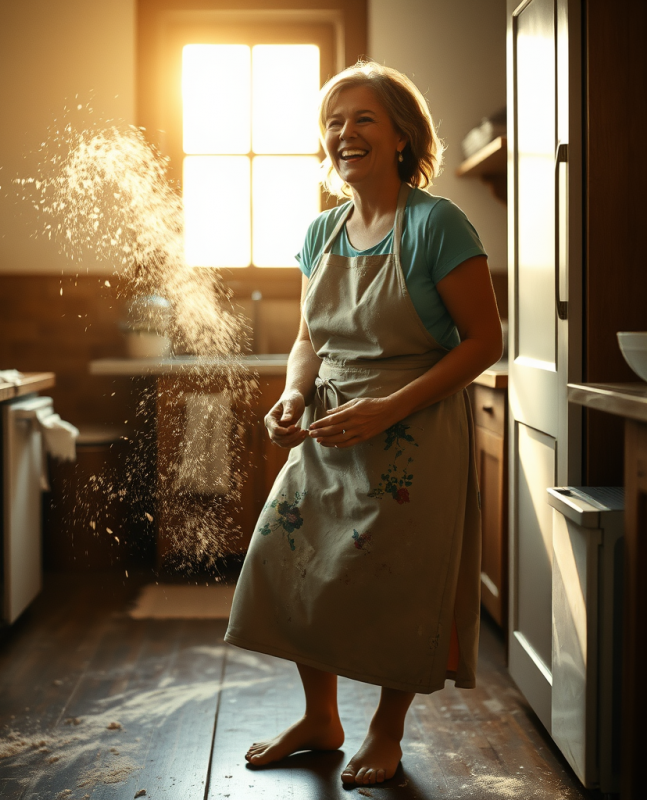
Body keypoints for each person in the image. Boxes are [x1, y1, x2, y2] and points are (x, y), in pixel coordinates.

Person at [224, 60, 503, 787]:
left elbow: (483, 342)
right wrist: (291, 396)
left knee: (397, 580)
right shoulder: (321, 233)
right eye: (334, 122)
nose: (344, 133)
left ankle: (386, 727)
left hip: (411, 431)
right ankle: (321, 718)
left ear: (403, 135)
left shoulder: (437, 224)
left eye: (363, 119)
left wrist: (390, 405)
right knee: (291, 565)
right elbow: (310, 336)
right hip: (328, 427)